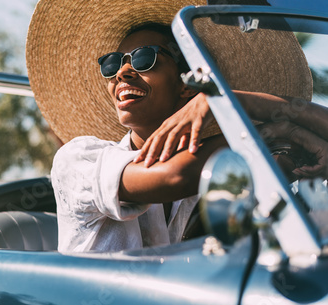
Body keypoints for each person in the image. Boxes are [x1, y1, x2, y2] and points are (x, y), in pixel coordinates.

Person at [26, 0, 328, 252]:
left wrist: (232, 101)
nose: (123, 73)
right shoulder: (78, 158)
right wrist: (274, 133)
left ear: (186, 86)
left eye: (145, 59)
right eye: (112, 63)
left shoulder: (223, 163)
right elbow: (174, 176)